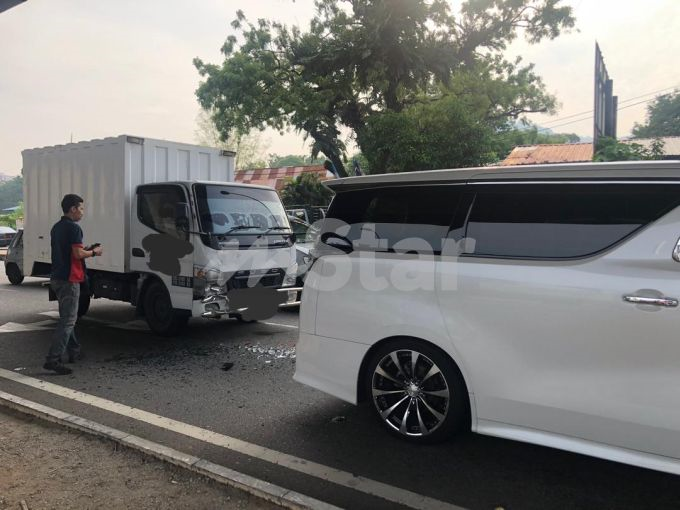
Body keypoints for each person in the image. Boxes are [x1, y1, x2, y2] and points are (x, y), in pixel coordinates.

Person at [43, 194, 103, 375]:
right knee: (68, 321)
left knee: (67, 318)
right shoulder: (74, 228)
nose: (83, 212)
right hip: (70, 279)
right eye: (81, 208)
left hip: (57, 277)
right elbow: (77, 255)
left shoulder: (57, 227)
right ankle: (52, 360)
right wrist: (94, 252)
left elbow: (71, 252)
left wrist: (86, 249)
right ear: (73, 209)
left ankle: (75, 351)